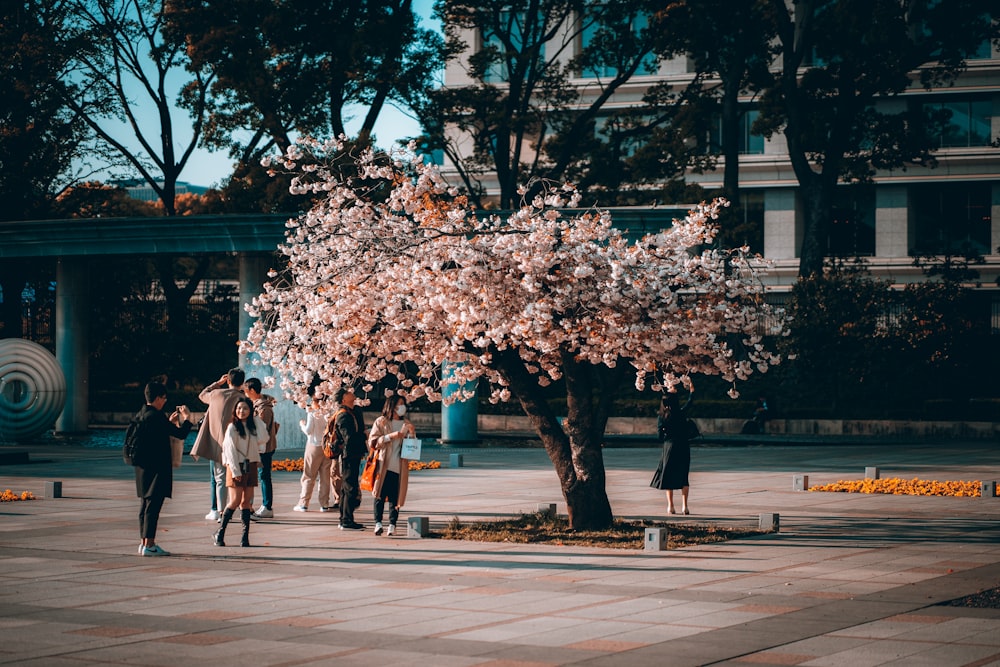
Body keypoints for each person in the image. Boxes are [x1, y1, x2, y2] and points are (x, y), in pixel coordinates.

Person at [132, 381, 193, 556]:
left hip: (142, 468)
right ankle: (150, 545)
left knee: (145, 506)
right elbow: (181, 434)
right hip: (157, 468)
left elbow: (157, 434)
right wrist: (187, 419)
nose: (165, 401)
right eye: (164, 398)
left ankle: (143, 543)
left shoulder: (141, 414)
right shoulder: (156, 416)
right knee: (153, 508)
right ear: (158, 398)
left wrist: (169, 422)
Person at [190, 368, 245, 522]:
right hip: (238, 444)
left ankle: (221, 512)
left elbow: (202, 394)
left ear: (228, 380)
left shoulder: (216, 394)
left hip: (218, 444)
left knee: (220, 478)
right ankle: (244, 508)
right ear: (242, 382)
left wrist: (217, 383)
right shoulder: (243, 398)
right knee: (239, 477)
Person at [214, 397, 267, 547]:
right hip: (235, 466)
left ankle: (245, 538)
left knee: (246, 502)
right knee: (235, 501)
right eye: (238, 408)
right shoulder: (232, 427)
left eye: (245, 408)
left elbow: (265, 438)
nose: (241, 411)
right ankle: (220, 532)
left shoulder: (253, 426)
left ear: (250, 411)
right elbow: (229, 450)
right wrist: (236, 470)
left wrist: (256, 419)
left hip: (250, 466)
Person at [366, 394, 415, 536]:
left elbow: (412, 450)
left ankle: (392, 525)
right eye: (400, 403)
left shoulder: (406, 424)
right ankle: (378, 523)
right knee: (379, 495)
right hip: (383, 465)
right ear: (392, 406)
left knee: (395, 497)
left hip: (399, 467)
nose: (402, 406)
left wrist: (411, 433)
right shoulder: (381, 422)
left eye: (403, 403)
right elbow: (372, 443)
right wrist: (390, 436)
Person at [650, 390, 693, 515]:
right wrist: (691, 392)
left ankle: (671, 506)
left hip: (669, 447)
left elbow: (659, 437)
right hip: (683, 446)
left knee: (668, 475)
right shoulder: (681, 413)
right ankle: (685, 506)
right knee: (684, 476)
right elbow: (690, 403)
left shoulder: (662, 417)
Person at [245, 377, 279, 520]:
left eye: (247, 391)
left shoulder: (264, 408)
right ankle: (264, 505)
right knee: (262, 475)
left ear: (252, 390)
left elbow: (262, 430)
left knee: (264, 476)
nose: (245, 394)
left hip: (265, 447)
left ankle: (267, 506)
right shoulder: (259, 405)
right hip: (261, 446)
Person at [334, 387, 367, 530]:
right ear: (343, 399)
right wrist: (364, 435)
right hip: (349, 455)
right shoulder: (343, 415)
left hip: (353, 454)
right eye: (347, 392)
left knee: (348, 486)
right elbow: (349, 437)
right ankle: (346, 520)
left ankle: (345, 518)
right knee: (349, 487)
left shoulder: (353, 412)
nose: (351, 392)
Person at [295, 408, 333, 512]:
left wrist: (302, 424)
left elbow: (308, 431)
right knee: (325, 477)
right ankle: (324, 504)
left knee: (309, 475)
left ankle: (304, 503)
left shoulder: (312, 412)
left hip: (314, 445)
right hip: (326, 446)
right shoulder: (329, 409)